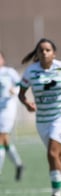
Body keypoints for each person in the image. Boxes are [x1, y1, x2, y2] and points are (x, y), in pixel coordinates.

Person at [18, 38, 61, 196]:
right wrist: (26, 103)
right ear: (37, 54)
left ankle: (56, 195)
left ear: (54, 53)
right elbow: (21, 94)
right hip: (43, 121)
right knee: (59, 155)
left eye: (47, 50)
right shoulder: (30, 72)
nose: (44, 53)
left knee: (52, 153)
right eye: (41, 50)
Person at [0, 51, 24, 181]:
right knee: (5, 140)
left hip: (8, 109)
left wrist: (14, 90)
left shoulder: (9, 72)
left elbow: (21, 86)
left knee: (1, 137)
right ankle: (19, 164)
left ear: (3, 59)